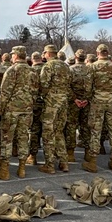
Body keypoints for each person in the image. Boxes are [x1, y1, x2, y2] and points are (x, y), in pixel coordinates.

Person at [0, 46, 39, 179]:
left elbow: (5, 92)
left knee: (7, 139)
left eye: (13, 54)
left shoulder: (12, 70)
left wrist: (0, 110)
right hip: (26, 110)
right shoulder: (32, 71)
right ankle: (22, 168)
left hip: (11, 110)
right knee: (23, 138)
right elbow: (36, 91)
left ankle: (5, 170)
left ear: (16, 56)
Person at [82, 44, 112, 173]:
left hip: (97, 101)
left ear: (97, 53)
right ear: (107, 53)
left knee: (95, 130)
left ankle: (93, 161)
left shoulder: (93, 67)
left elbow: (87, 87)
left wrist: (88, 98)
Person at [38, 44, 71, 174]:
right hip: (64, 102)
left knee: (48, 133)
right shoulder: (65, 66)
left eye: (44, 53)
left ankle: (49, 164)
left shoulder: (48, 66)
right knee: (59, 132)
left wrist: (45, 96)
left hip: (52, 102)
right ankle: (64, 162)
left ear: (48, 53)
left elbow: (44, 84)